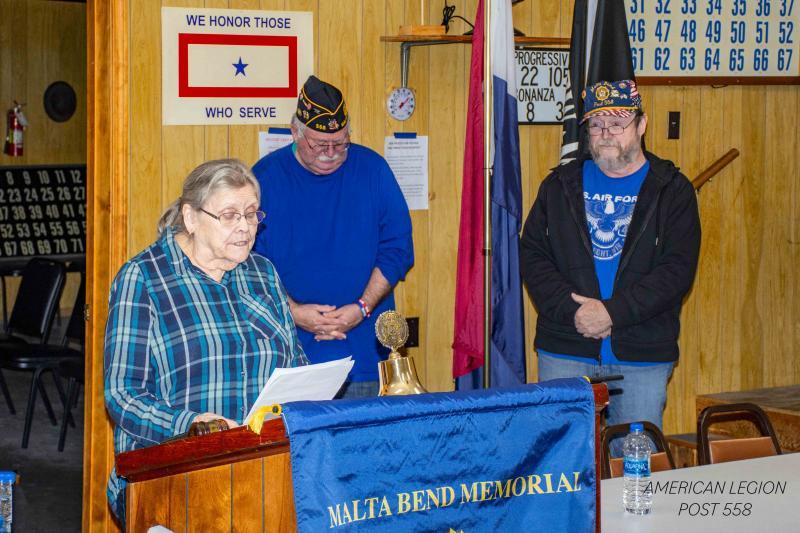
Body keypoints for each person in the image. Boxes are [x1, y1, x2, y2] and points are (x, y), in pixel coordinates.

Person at [104, 159, 308, 523]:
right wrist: (192, 425)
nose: (245, 227)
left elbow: (296, 361)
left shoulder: (263, 274)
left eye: (251, 214)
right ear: (191, 217)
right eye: (229, 215)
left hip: (264, 473)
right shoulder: (144, 278)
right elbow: (122, 395)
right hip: (172, 477)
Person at [520, 80, 701, 446]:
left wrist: (612, 313)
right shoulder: (559, 185)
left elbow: (676, 271)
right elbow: (533, 255)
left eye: (617, 124)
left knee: (635, 462)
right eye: (596, 125)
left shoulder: (672, 190)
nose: (605, 134)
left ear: (641, 125)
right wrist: (575, 313)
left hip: (642, 354)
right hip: (566, 348)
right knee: (563, 461)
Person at [252, 75, 414, 398]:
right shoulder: (264, 178)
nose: (331, 153)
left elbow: (398, 249)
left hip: (364, 356)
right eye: (319, 144)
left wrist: (362, 308)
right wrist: (293, 313)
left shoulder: (374, 170)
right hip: (291, 358)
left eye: (340, 144)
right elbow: (250, 265)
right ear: (295, 132)